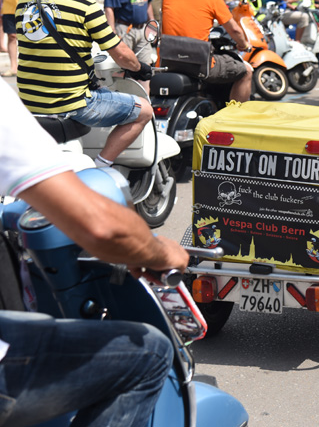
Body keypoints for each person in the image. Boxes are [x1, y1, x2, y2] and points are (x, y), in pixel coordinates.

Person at [0, 77, 189, 425]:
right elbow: (100, 225)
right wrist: (157, 252)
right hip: (75, 108)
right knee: (149, 352)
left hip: (40, 105)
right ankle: (104, 163)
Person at [16, 0, 154, 168]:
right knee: (144, 110)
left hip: (31, 104)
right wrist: (140, 67)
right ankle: (103, 166)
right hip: (72, 106)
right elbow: (121, 54)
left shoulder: (24, 2)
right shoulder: (85, 6)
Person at [161, 0, 253, 103]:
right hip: (199, 65)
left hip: (169, 62)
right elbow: (235, 31)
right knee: (246, 70)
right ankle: (235, 117)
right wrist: (244, 45)